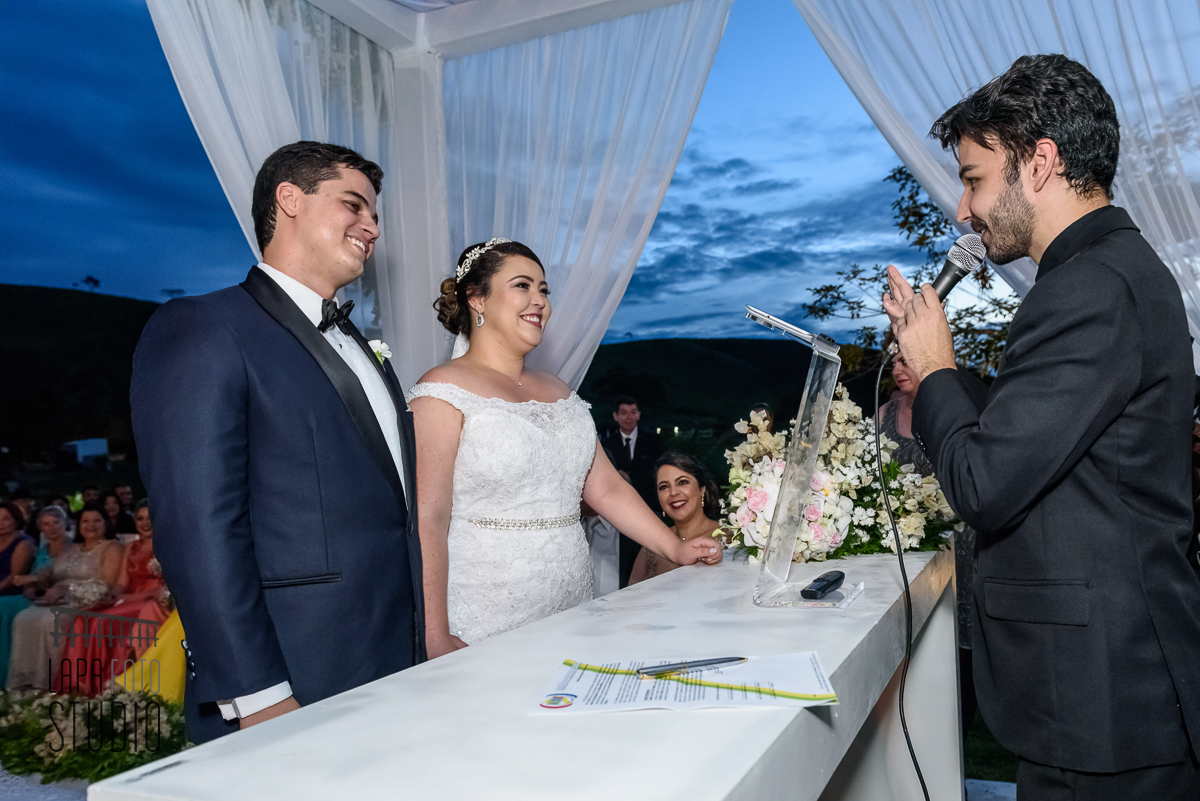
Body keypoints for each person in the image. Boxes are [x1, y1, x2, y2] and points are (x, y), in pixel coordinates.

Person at [883, 54, 1200, 799]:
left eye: (972, 179)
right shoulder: (1109, 272)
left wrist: (934, 371)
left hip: (1105, 705)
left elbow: (985, 483)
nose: (964, 210)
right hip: (1099, 700)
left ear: (1041, 162)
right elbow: (1052, 445)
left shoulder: (1088, 287)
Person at [131, 141, 423, 743]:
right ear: (289, 199)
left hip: (398, 657)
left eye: (375, 215)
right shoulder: (205, 328)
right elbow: (197, 523)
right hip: (293, 672)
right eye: (354, 205)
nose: (371, 226)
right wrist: (256, 691)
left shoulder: (367, 348)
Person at [408, 238, 721, 659]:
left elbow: (607, 488)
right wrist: (434, 632)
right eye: (522, 285)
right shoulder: (442, 391)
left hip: (573, 605)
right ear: (476, 298)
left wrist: (674, 547)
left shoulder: (558, 389)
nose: (539, 301)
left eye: (544, 289)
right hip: (486, 613)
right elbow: (429, 517)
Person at [876, 347, 978, 735]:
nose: (899, 369)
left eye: (908, 359)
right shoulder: (882, 418)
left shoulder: (960, 408)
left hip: (963, 552)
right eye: (895, 361)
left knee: (962, 664)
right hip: (906, 559)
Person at [56, 500, 170, 695]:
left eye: (150, 518)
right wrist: (109, 596)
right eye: (140, 518)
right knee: (81, 619)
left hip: (151, 603)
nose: (145, 523)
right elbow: (120, 583)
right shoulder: (130, 547)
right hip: (126, 599)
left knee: (101, 621)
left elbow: (166, 588)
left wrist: (127, 599)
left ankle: (105, 686)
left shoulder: (169, 547)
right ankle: (76, 685)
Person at [7, 504, 121, 689]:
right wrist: (40, 579)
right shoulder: (72, 548)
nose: (90, 525)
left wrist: (68, 590)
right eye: (85, 521)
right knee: (23, 618)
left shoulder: (112, 547)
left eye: (96, 520)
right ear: (78, 525)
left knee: (51, 621)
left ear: (105, 524)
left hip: (88, 601)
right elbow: (53, 576)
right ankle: (26, 683)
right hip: (56, 600)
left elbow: (105, 585)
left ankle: (52, 681)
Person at [598, 396, 667, 586]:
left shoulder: (654, 442)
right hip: (617, 516)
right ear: (615, 416)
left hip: (648, 509)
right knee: (620, 565)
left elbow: (658, 474)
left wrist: (629, 477)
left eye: (633, 412)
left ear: (639, 414)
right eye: (623, 413)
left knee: (647, 562)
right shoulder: (606, 444)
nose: (628, 417)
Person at [628, 452, 725, 585]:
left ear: (702, 489)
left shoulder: (730, 537)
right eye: (664, 487)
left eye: (682, 482)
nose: (673, 492)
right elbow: (631, 600)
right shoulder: (651, 546)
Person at [0, 506, 66, 684]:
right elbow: (30, 579)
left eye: (56, 522)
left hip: (47, 595)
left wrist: (33, 583)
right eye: (46, 524)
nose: (51, 528)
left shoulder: (71, 548)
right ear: (40, 528)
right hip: (36, 595)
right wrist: (30, 586)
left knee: (11, 610)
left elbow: (15, 578)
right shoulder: (44, 549)